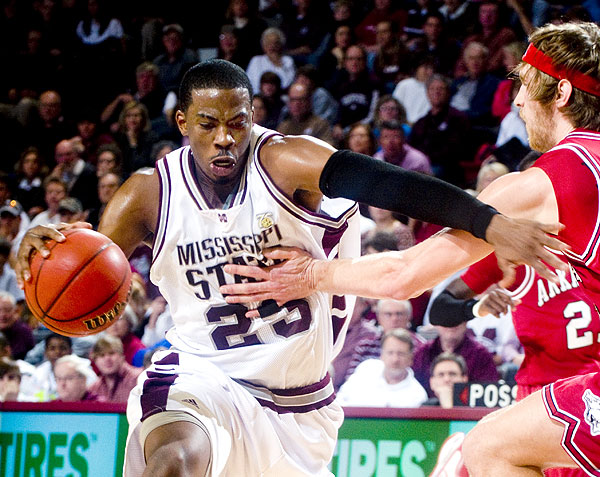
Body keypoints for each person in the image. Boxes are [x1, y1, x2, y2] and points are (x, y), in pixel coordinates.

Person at [17, 59, 565, 476]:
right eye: (208, 124)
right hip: (202, 376)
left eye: (238, 121)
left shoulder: (282, 160)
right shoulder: (146, 196)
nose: (226, 137)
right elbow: (84, 271)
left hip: (303, 405)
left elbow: (387, 184)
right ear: (182, 122)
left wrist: (486, 221)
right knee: (174, 459)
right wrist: (41, 259)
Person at [218, 22, 600, 475]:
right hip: (566, 377)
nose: (517, 102)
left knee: (484, 449)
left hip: (570, 379)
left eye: (526, 87)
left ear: (559, 93)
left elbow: (404, 275)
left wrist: (309, 275)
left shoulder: (546, 181)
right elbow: (448, 302)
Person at [336, 329, 428, 408]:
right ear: (382, 355)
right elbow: (340, 400)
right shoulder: (366, 368)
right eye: (390, 353)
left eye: (401, 354)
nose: (395, 359)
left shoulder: (418, 395)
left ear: (410, 359)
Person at [88, 335, 142, 403]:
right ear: (95, 361)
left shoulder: (139, 378)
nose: (107, 359)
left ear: (122, 356)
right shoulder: (93, 389)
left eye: (111, 353)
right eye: (101, 355)